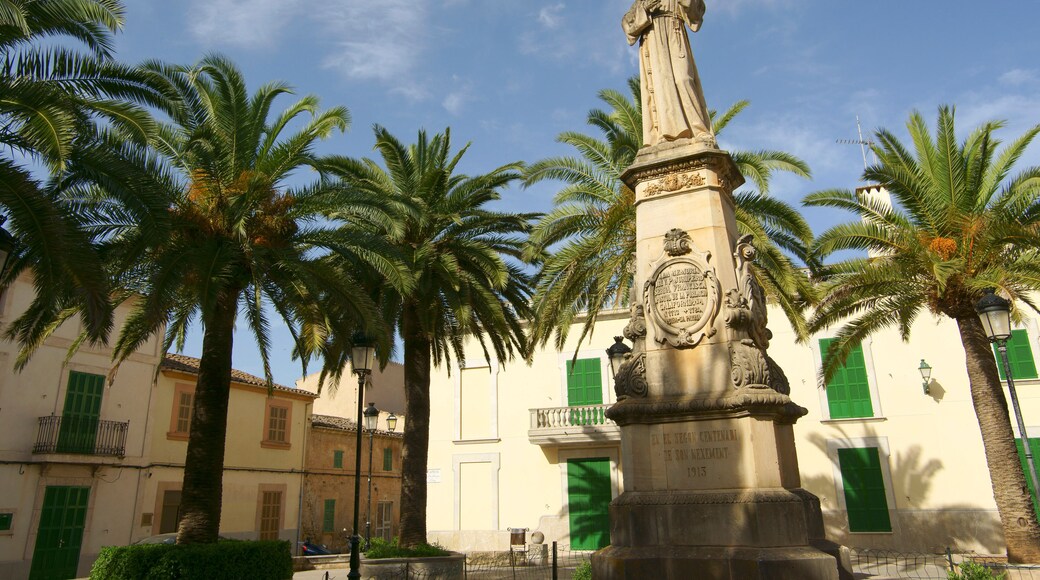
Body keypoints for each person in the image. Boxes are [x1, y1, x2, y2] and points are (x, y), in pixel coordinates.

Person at [623, 0, 715, 148]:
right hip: (652, 35)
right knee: (661, 85)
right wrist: (643, 9)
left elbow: (697, 12)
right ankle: (666, 135)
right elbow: (627, 24)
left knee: (683, 79)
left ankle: (699, 131)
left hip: (674, 31)